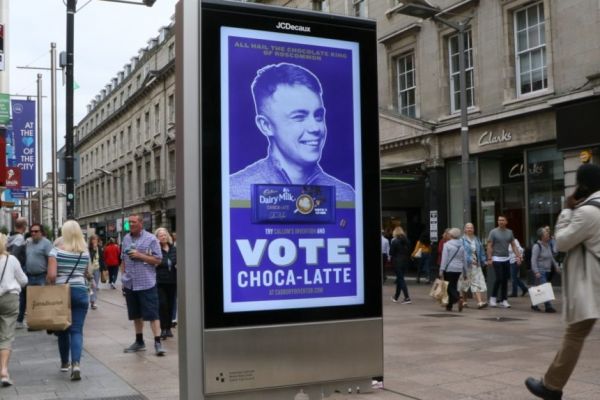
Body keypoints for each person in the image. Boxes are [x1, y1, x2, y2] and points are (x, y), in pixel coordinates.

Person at [525, 163, 600, 400]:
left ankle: (551, 386)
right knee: (575, 332)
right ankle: (551, 385)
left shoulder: (588, 212)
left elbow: (562, 242)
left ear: (583, 185)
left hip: (590, 282)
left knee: (574, 334)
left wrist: (567, 210)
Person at [229, 62, 355, 202]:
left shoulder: (346, 195)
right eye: (299, 117)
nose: (315, 128)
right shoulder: (234, 192)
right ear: (266, 125)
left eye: (318, 115)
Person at [47, 220, 91, 381]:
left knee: (63, 330)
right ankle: (77, 364)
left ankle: (64, 363)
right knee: (77, 330)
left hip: (61, 292)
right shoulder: (84, 253)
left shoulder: (55, 252)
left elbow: (52, 276)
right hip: (80, 290)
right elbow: (86, 273)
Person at [121, 213, 164, 356]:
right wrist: (123, 277)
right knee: (135, 315)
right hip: (130, 283)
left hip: (146, 283)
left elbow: (158, 259)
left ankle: (158, 342)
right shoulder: (126, 239)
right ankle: (139, 341)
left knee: (152, 314)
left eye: (133, 222)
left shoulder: (151, 239)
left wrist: (141, 256)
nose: (130, 225)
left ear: (141, 223)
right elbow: (123, 259)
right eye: (129, 222)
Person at [0, 233, 27, 386]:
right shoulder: (11, 260)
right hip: (9, 299)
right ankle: (3, 371)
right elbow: (24, 280)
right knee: (6, 336)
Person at [16, 223, 52, 329]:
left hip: (41, 275)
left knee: (40, 300)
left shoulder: (47, 243)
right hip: (28, 275)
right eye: (32, 231)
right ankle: (19, 320)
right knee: (23, 298)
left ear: (41, 232)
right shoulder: (28, 242)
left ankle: (39, 321)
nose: (33, 233)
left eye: (36, 231)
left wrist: (49, 275)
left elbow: (51, 259)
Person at [486, 216, 522, 308]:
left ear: (506, 222)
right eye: (499, 220)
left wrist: (518, 256)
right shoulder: (493, 232)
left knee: (505, 280)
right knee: (499, 278)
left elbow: (513, 245)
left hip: (506, 258)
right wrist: (489, 258)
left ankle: (504, 300)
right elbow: (489, 245)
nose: (500, 222)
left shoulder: (509, 232)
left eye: (502, 220)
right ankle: (493, 298)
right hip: (496, 258)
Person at [530, 227, 559, 313]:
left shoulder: (548, 245)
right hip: (540, 270)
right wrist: (536, 271)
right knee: (545, 288)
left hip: (548, 270)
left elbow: (551, 257)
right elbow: (533, 260)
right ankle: (548, 306)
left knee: (539, 288)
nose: (548, 235)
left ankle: (534, 304)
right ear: (542, 236)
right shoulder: (537, 246)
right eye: (546, 234)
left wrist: (556, 266)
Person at [155, 227, 177, 340]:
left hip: (172, 281)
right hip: (160, 281)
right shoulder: (156, 249)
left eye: (164, 235)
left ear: (167, 236)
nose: (163, 237)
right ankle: (163, 328)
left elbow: (177, 262)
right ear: (157, 238)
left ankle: (168, 329)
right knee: (163, 304)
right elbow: (155, 262)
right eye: (160, 235)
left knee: (171, 305)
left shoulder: (174, 249)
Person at [439, 228, 468, 312]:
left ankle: (458, 299)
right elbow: (464, 259)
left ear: (451, 235)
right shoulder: (462, 245)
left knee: (449, 287)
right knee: (454, 285)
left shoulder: (447, 245)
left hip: (449, 268)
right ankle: (449, 306)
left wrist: (441, 270)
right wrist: (465, 272)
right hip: (458, 269)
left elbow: (444, 259)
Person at [7, 218, 27, 330]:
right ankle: (18, 320)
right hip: (18, 269)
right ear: (23, 226)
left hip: (8, 269)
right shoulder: (19, 238)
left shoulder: (9, 236)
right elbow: (15, 254)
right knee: (23, 295)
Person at [462, 223, 488, 309]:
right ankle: (464, 301)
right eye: (468, 228)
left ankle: (480, 302)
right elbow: (463, 253)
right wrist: (470, 260)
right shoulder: (462, 240)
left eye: (471, 228)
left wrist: (483, 260)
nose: (469, 229)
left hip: (476, 265)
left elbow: (481, 251)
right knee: (465, 284)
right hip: (466, 265)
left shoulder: (476, 239)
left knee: (476, 282)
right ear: (465, 229)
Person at [389, 227, 411, 304]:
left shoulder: (394, 241)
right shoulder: (407, 241)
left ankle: (407, 297)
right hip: (405, 262)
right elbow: (409, 251)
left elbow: (391, 252)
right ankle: (396, 297)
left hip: (397, 262)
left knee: (401, 279)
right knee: (400, 279)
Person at [87, 235, 104, 310]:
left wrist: (104, 268)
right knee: (92, 285)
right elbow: (89, 258)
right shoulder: (89, 249)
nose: (95, 241)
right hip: (90, 269)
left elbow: (101, 259)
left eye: (96, 240)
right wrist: (93, 249)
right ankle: (92, 300)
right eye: (93, 240)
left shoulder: (100, 248)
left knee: (95, 286)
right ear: (91, 241)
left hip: (97, 269)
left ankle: (93, 301)